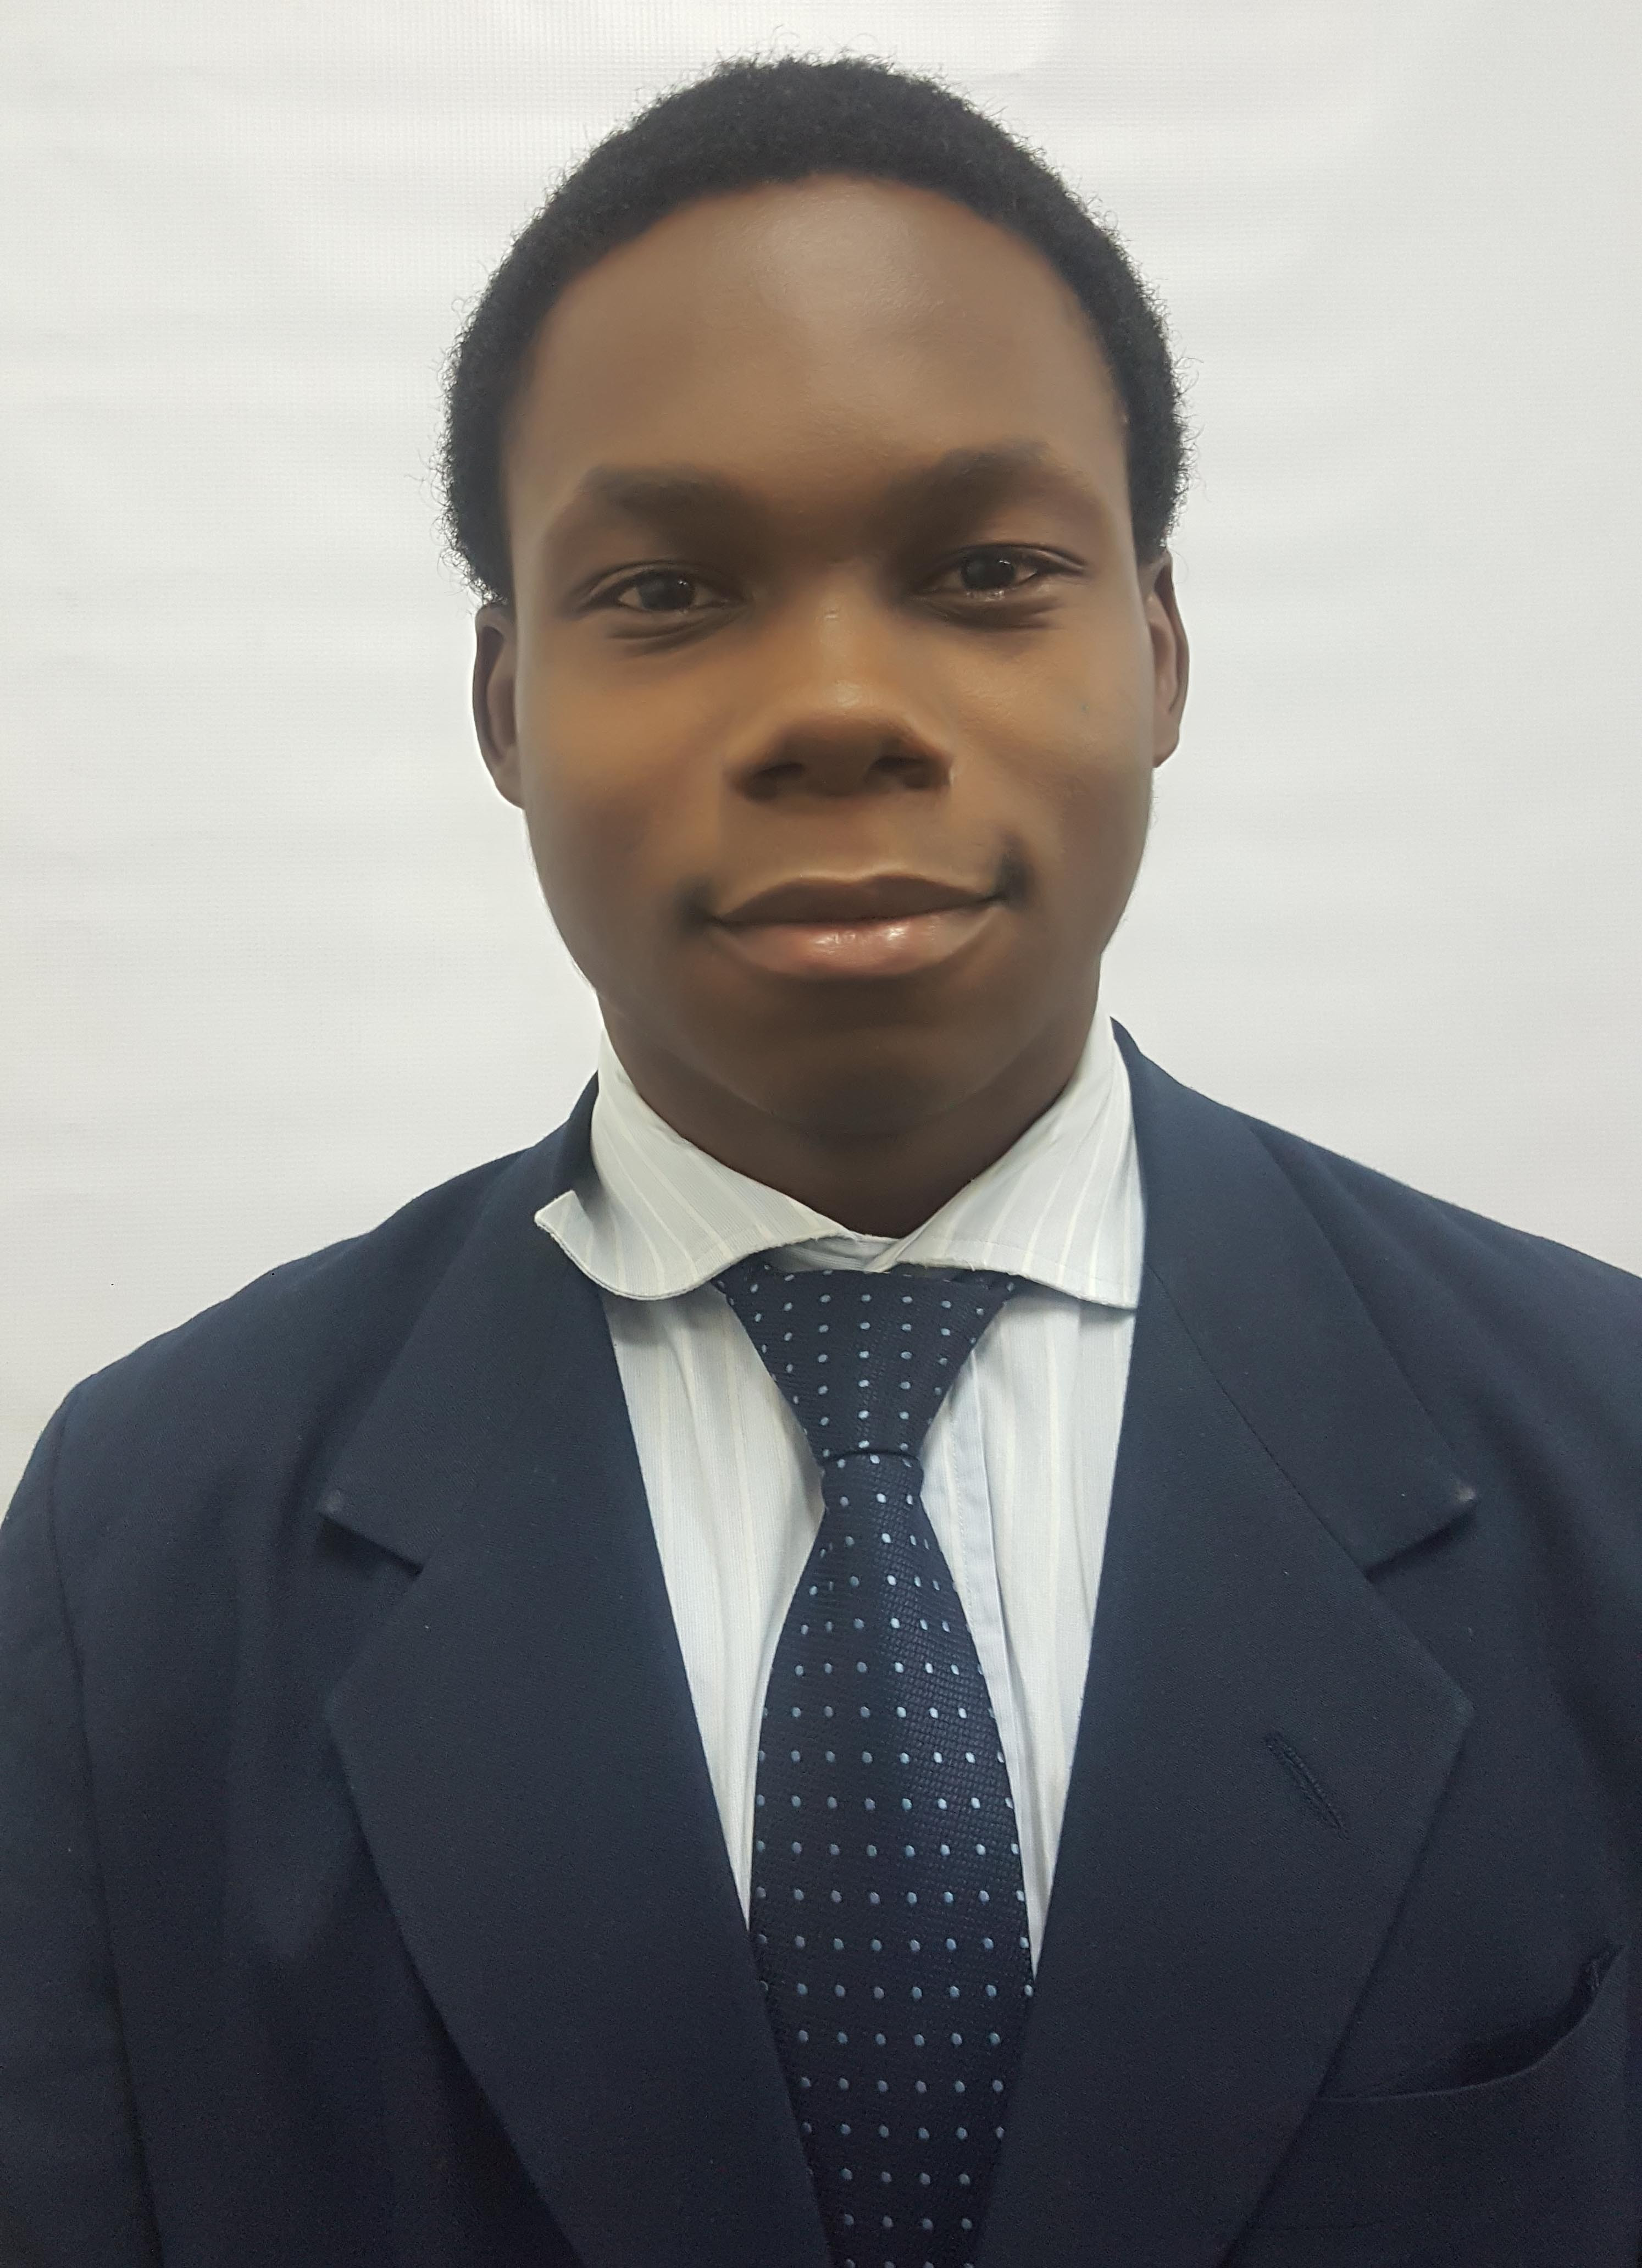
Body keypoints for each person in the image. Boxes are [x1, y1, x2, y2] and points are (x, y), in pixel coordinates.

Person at [1, 48, 1638, 2268]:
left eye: (986, 567)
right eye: (668, 593)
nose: (840, 707)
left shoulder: (1601, 1452)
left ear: (1159, 650)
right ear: (505, 705)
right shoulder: (138, 1555)